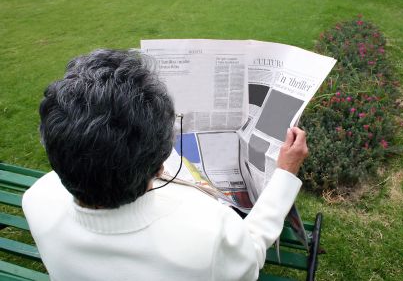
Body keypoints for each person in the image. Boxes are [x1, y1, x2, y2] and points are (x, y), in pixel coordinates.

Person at [23, 49, 309, 281]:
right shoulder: (207, 234)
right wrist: (284, 174)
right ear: (161, 165)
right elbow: (251, 256)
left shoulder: (37, 199)